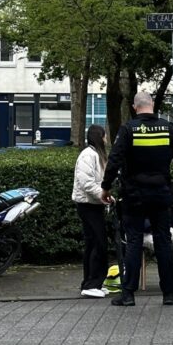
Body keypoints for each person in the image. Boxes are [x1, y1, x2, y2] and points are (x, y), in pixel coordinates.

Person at [101, 92, 173, 307]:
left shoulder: (128, 129)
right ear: (152, 105)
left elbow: (114, 160)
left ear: (134, 107)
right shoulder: (168, 128)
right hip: (161, 194)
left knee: (133, 242)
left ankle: (128, 294)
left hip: (134, 195)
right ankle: (168, 294)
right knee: (163, 242)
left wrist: (105, 187)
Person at [72, 124, 109, 299]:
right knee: (98, 243)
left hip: (93, 204)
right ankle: (92, 283)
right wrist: (103, 194)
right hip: (89, 205)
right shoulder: (89, 155)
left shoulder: (94, 155)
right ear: (99, 137)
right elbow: (87, 183)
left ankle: (91, 282)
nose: (106, 139)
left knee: (93, 243)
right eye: (104, 136)